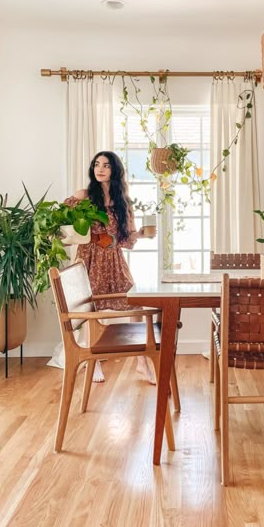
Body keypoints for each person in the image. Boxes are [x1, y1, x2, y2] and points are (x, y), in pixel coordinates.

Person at [64, 150, 155, 383]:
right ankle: (93, 362)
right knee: (91, 309)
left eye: (106, 165)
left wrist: (144, 235)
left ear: (115, 170)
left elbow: (125, 239)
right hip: (89, 258)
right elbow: (63, 224)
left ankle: (142, 361)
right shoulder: (83, 196)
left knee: (135, 303)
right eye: (97, 164)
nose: (100, 168)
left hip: (113, 260)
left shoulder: (122, 203)